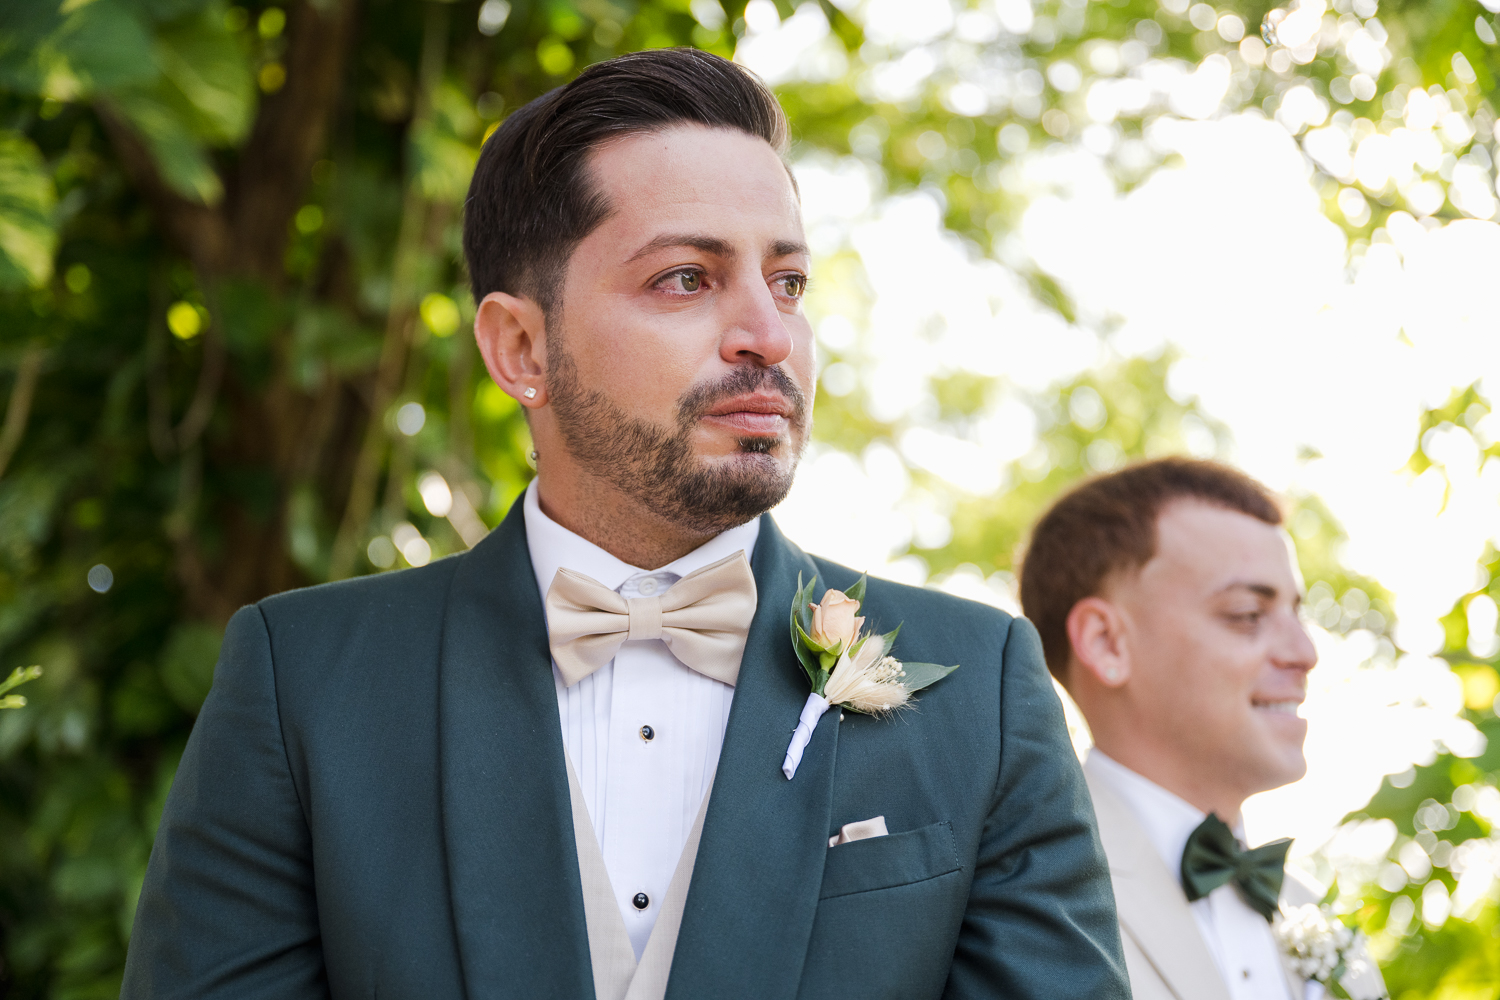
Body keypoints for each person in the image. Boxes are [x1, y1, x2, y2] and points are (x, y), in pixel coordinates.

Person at [120, 49, 1129, 1000]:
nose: (768, 335)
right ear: (523, 347)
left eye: (787, 281)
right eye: (686, 278)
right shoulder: (305, 680)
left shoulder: (983, 687)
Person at [1019, 458, 1387, 1000]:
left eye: (1296, 613)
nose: (1305, 654)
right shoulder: (1025, 894)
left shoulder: (1313, 914)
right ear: (1105, 642)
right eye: (1247, 614)